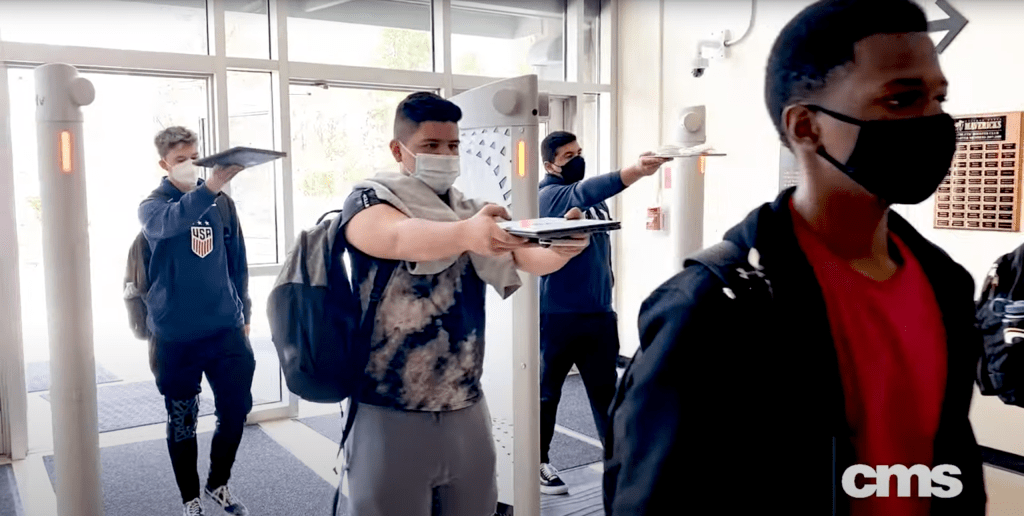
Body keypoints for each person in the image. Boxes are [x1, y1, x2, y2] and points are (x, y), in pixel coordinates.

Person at [602, 1, 987, 514]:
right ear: (806, 126)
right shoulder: (714, 310)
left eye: (938, 98)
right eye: (901, 100)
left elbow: (945, 456)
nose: (933, 121)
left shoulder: (946, 284)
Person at [339, 91, 590, 516]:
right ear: (398, 150)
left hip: (465, 406)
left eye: (452, 146)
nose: (445, 155)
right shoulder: (368, 201)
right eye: (431, 146)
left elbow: (526, 258)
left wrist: (564, 248)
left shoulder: (471, 211)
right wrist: (468, 234)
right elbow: (399, 237)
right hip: (387, 409)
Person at [535, 131, 669, 494]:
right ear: (549, 165)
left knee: (606, 393)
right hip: (556, 316)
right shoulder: (548, 195)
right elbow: (589, 190)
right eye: (568, 156)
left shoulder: (596, 205)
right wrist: (636, 170)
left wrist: (608, 289)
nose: (577, 159)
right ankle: (539, 462)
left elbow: (600, 247)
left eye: (579, 152)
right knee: (547, 393)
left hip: (598, 314)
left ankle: (619, 461)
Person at [139, 127, 255, 516]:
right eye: (180, 160)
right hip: (176, 337)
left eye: (194, 156)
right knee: (183, 420)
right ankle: (190, 498)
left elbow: (237, 263)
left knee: (236, 411)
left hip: (225, 331)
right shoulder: (153, 206)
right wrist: (210, 188)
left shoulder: (222, 204)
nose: (191, 165)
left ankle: (217, 483)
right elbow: (170, 223)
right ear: (164, 164)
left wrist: (245, 315)